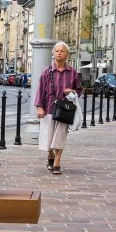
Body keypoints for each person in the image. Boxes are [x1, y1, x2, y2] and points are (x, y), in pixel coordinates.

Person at [34, 41, 83, 175]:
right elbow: (40, 90)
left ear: (67, 54)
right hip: (49, 107)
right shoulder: (46, 71)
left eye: (62, 51)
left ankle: (57, 161)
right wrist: (39, 107)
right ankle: (50, 155)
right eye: (57, 51)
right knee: (48, 137)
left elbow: (79, 90)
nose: (59, 53)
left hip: (65, 109)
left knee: (60, 136)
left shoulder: (72, 72)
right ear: (53, 53)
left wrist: (72, 92)